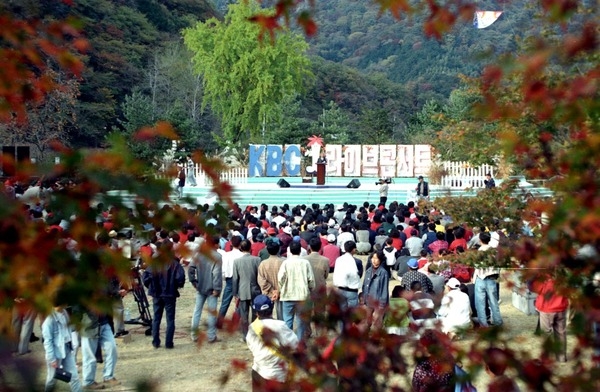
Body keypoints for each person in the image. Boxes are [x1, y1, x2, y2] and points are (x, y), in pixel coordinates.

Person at [246, 295, 299, 391]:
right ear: (272, 308)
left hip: (258, 372)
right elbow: (295, 345)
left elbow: (250, 345)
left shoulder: (252, 328)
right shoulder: (280, 326)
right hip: (277, 375)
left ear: (256, 313)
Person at [143, 241, 186, 349]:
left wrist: (151, 286)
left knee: (157, 318)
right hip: (169, 294)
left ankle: (156, 341)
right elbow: (180, 278)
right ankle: (168, 342)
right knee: (170, 319)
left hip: (157, 293)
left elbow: (146, 277)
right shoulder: (174, 263)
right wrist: (176, 286)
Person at [278, 241, 315, 341]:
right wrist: (311, 289)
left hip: (288, 295)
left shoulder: (285, 263)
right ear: (300, 251)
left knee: (287, 320)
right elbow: (311, 279)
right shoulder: (305, 263)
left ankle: (288, 342)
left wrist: (282, 288)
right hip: (302, 295)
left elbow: (280, 278)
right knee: (300, 320)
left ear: (290, 251)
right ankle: (299, 343)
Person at [189, 235, 222, 343]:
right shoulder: (217, 256)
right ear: (215, 244)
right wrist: (217, 289)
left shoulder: (199, 254)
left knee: (197, 311)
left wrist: (193, 281)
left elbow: (191, 268)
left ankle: (194, 335)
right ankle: (211, 336)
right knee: (211, 313)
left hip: (200, 286)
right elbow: (216, 274)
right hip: (212, 288)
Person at [42, 304, 82, 392]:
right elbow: (48, 342)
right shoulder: (49, 320)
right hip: (56, 353)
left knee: (74, 377)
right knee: (52, 379)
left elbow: (68, 329)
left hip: (66, 348)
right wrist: (52, 359)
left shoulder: (64, 312)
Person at [530, 273, 569, 362]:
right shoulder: (563, 274)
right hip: (561, 306)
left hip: (547, 309)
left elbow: (536, 288)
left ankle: (545, 358)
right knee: (561, 333)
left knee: (546, 334)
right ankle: (561, 357)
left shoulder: (544, 276)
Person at [232, 239, 262, 341]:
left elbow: (235, 278)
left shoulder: (236, 261)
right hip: (255, 290)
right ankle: (254, 334)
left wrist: (235, 293)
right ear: (250, 248)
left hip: (242, 290)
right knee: (256, 314)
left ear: (241, 248)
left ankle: (246, 336)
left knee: (244, 315)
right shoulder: (257, 260)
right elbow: (260, 276)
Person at [473, 232, 503, 328]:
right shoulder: (493, 251)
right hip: (491, 278)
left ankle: (484, 325)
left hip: (481, 278)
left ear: (480, 240)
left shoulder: (479, 251)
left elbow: (477, 267)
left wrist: (474, 279)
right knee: (493, 302)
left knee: (480, 303)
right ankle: (498, 322)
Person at [361, 250, 389, 331]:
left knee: (376, 325)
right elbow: (364, 286)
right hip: (368, 301)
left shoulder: (383, 273)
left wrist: (382, 306)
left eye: (376, 258)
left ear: (380, 260)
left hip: (378, 303)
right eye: (372, 258)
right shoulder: (368, 271)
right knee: (366, 323)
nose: (373, 260)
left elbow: (384, 290)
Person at [257, 240, 284, 319]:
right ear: (279, 249)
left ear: (268, 251)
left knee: (267, 316)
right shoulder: (284, 262)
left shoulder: (263, 264)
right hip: (281, 293)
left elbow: (261, 280)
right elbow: (286, 279)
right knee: (281, 317)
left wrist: (272, 290)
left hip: (268, 294)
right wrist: (277, 291)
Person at [332, 241, 361, 312]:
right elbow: (359, 274)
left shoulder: (339, 259)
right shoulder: (357, 261)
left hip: (341, 289)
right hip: (352, 290)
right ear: (354, 250)